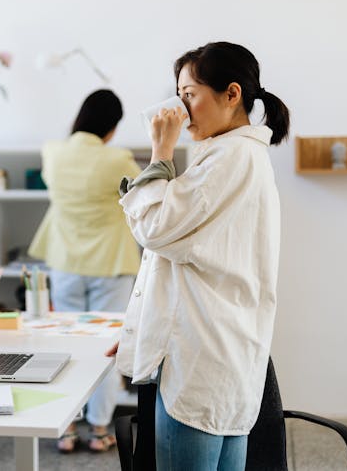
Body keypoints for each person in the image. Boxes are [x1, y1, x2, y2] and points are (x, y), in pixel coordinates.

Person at [109, 41, 289, 470]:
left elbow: (155, 229)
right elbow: (184, 253)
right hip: (220, 356)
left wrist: (160, 153)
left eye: (189, 94)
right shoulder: (238, 155)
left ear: (232, 94)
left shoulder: (230, 157)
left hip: (201, 361)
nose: (181, 108)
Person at [28, 89, 142, 453]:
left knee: (68, 345)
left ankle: (67, 429)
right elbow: (145, 190)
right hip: (110, 261)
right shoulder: (117, 160)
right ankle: (99, 430)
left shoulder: (53, 153)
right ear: (111, 126)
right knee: (105, 348)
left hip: (65, 261)